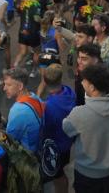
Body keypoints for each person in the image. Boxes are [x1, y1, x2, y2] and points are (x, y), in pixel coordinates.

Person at [62, 64, 109, 193]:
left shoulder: (80, 113)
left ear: (91, 87)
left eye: (84, 80)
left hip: (87, 172)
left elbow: (66, 128)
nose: (82, 82)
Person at [41, 64, 75, 192]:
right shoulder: (68, 91)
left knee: (58, 176)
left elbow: (46, 130)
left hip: (56, 147)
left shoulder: (49, 107)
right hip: (67, 142)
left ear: (45, 81)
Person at [2, 67, 43, 152]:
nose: (4, 88)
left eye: (9, 85)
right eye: (4, 84)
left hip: (30, 155)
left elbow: (9, 141)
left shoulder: (17, 111)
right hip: (41, 145)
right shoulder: (34, 97)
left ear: (20, 86)